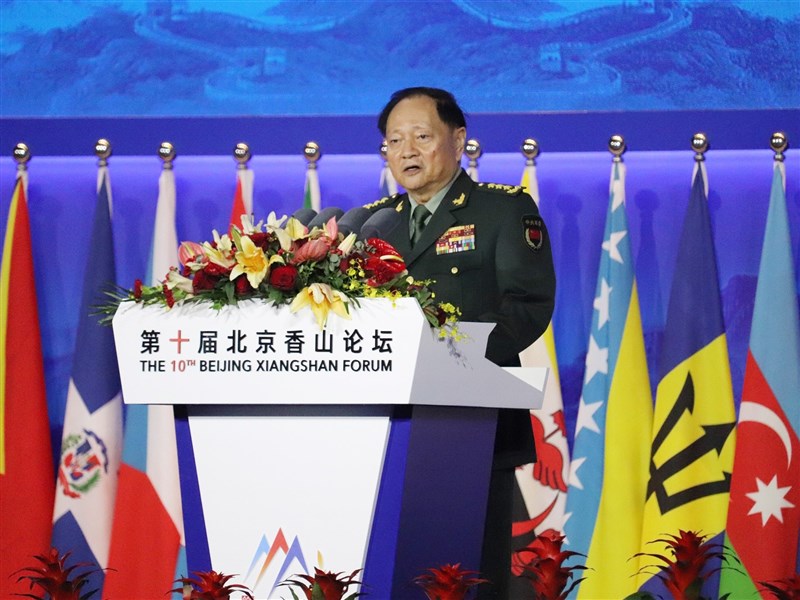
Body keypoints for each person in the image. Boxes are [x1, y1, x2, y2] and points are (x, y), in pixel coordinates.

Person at [367, 87, 556, 598]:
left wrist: (450, 359)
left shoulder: (502, 210)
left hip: (475, 423)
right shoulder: (374, 223)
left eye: (421, 137)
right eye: (394, 141)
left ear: (458, 139)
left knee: (469, 576)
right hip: (385, 430)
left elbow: (526, 306)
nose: (406, 151)